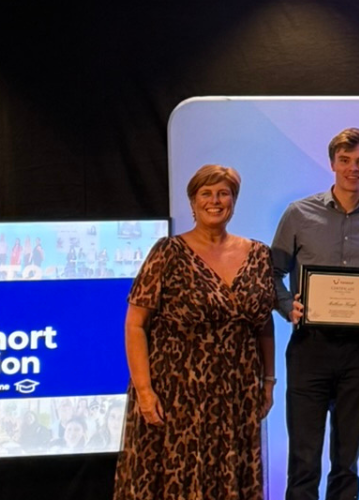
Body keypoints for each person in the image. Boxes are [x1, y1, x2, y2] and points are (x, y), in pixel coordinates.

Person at [114, 164, 276, 499]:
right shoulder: (167, 252)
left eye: (223, 193)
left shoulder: (258, 254)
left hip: (237, 394)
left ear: (234, 200)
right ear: (193, 202)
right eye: (206, 193)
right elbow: (135, 324)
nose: (215, 201)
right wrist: (145, 392)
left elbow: (263, 323)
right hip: (176, 393)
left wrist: (269, 381)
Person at [271, 127, 359, 500]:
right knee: (304, 458)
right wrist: (287, 307)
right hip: (309, 348)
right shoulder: (298, 214)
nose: (353, 168)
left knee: (347, 461)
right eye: (345, 161)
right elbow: (271, 273)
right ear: (332, 163)